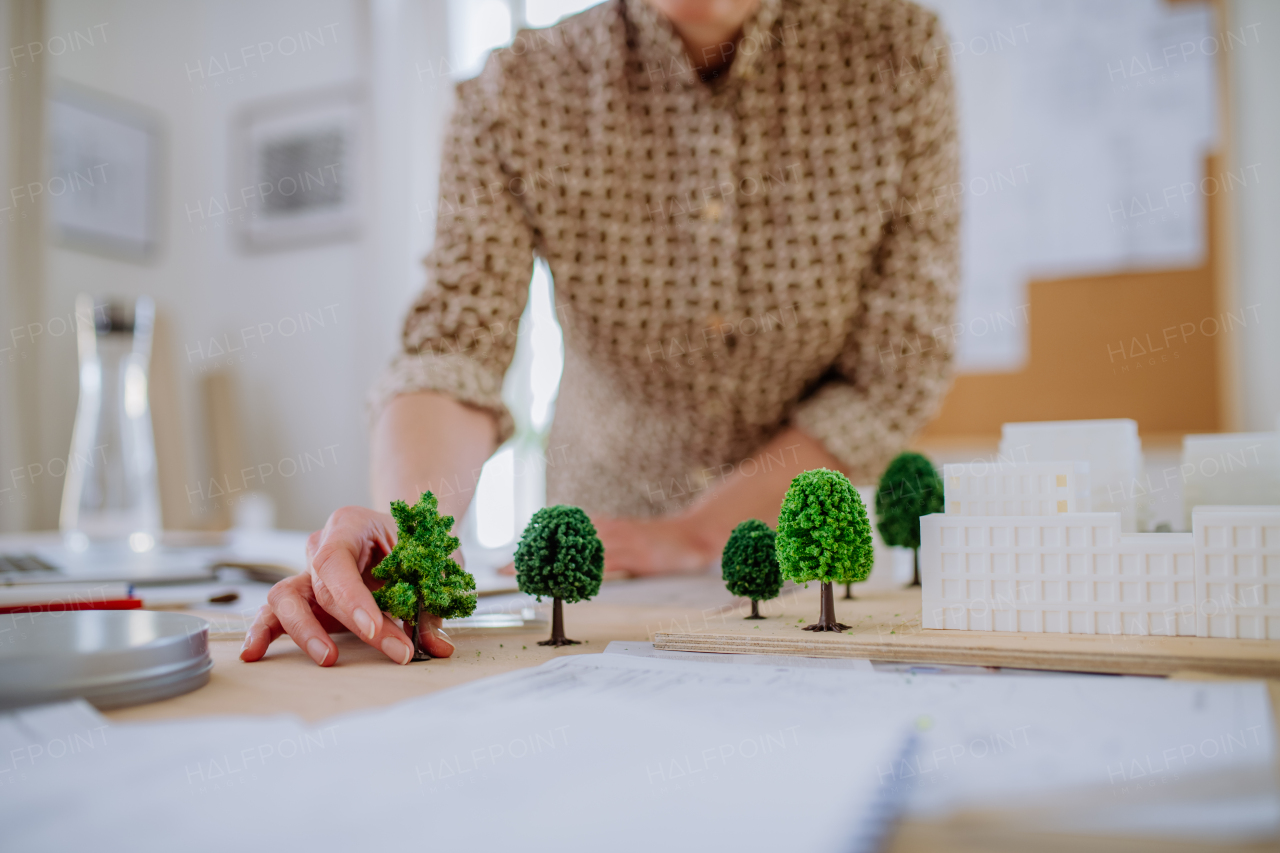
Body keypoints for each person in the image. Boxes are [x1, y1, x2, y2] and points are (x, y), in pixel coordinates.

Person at [242, 0, 958, 667]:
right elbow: (453, 343)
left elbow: (896, 365)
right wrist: (404, 539)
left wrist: (699, 531)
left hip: (813, 559)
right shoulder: (517, 91)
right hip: (606, 560)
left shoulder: (897, 52)